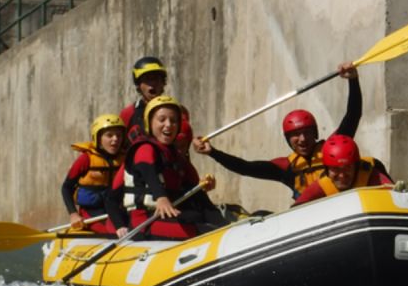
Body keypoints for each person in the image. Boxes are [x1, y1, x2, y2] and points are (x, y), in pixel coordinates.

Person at [192, 62, 361, 200]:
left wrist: (353, 80)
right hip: (308, 216)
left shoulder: (332, 148)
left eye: (307, 133)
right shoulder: (285, 167)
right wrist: (212, 152)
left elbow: (353, 115)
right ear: (287, 140)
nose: (302, 139)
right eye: (295, 135)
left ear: (316, 134)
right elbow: (245, 167)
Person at [106, 96, 223, 239]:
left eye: (173, 121)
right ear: (150, 122)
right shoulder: (144, 148)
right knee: (199, 229)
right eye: (162, 120)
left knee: (198, 216)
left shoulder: (177, 158)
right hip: (143, 222)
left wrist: (224, 225)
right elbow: (147, 170)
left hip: (168, 216)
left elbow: (198, 195)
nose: (168, 125)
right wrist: (161, 197)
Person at [60, 114, 126, 235]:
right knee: (112, 230)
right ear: (98, 138)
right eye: (109, 135)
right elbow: (66, 187)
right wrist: (73, 214)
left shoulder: (125, 158)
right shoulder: (86, 159)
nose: (115, 139)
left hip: (116, 208)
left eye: (119, 135)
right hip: (91, 213)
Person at [293, 134, 392, 206]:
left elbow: (394, 193)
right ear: (327, 170)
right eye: (335, 169)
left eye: (348, 167)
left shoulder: (370, 175)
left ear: (356, 167)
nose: (342, 176)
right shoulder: (321, 185)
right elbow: (295, 210)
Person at [120, 56, 169, 145]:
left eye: (156, 79)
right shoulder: (128, 114)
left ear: (163, 83)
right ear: (138, 85)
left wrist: (195, 141)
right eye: (147, 79)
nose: (152, 84)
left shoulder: (177, 111)